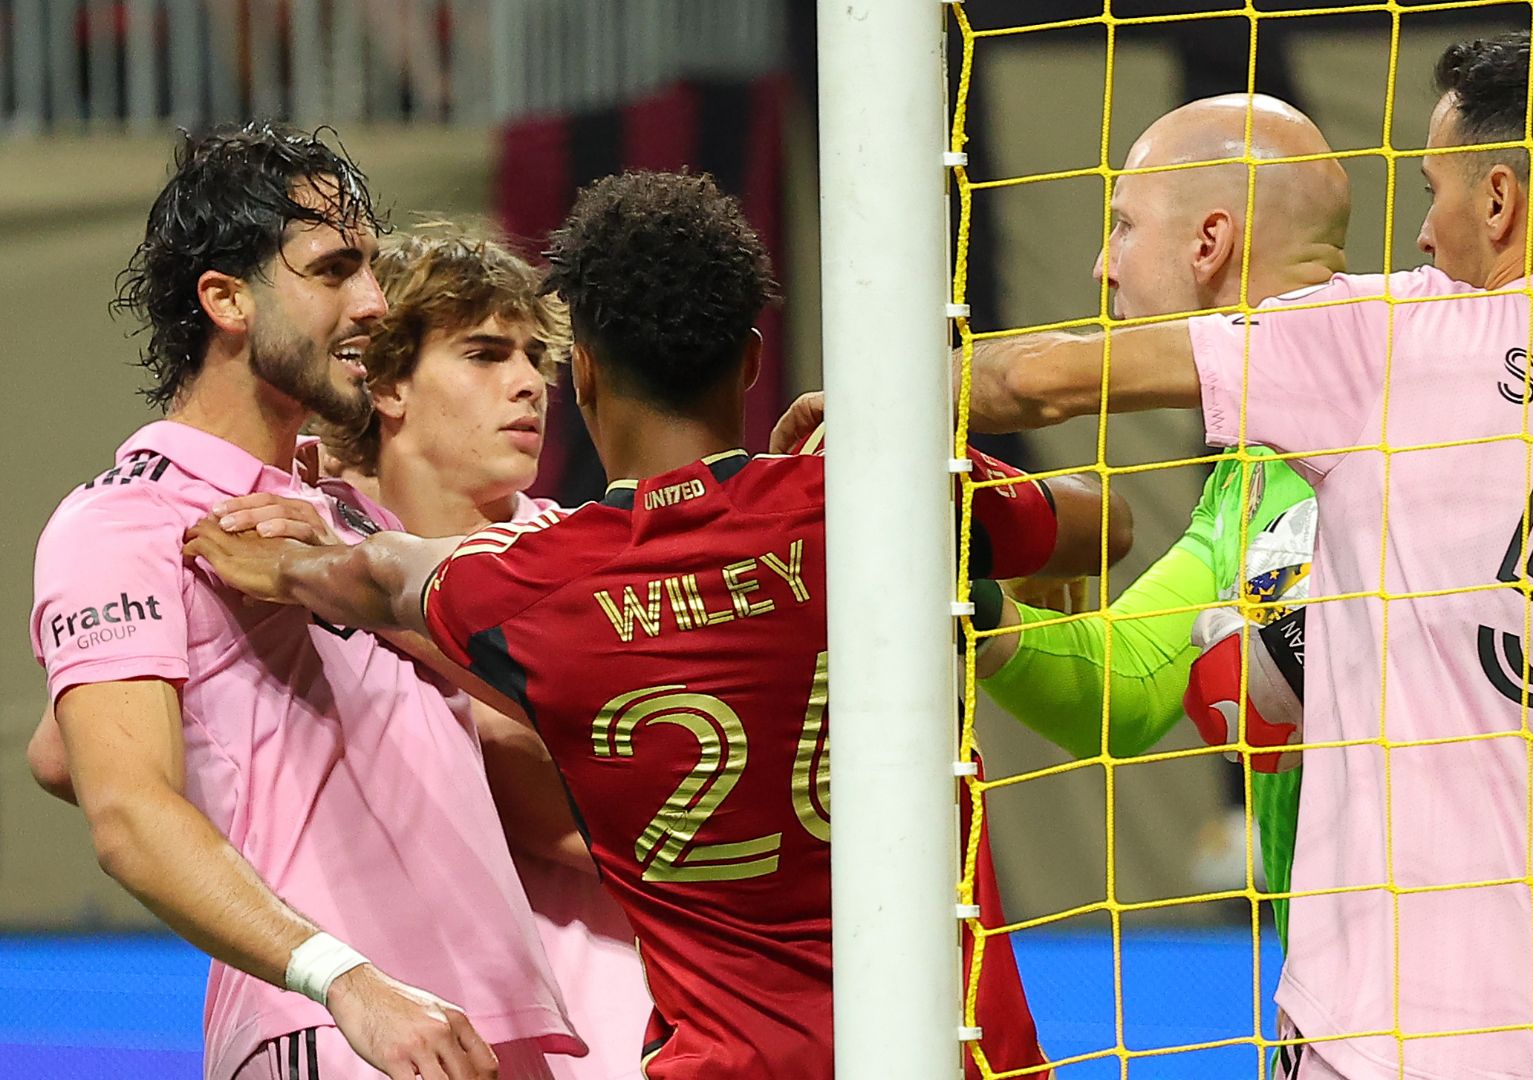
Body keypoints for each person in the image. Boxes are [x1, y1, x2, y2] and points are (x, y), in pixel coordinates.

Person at [863, 25, 1533, 1078]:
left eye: (1430, 195)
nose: (1418, 237)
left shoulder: (1393, 348)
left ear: (1497, 203)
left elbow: (1042, 387)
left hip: (1386, 1041)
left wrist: (871, 403)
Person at [182, 169, 1118, 1079]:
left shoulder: (536, 583)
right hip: (959, 1047)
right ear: (753, 359)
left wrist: (293, 560)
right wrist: (909, 426)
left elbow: (386, 583)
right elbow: (1101, 525)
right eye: (483, 355)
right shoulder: (871, 499)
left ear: (581, 369)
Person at [27, 123, 581, 1080]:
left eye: (370, 264)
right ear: (226, 299)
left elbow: (54, 754)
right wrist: (347, 980)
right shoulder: (123, 521)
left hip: (484, 1028)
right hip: (335, 1031)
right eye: (333, 270)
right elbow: (124, 811)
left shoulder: (340, 517)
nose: (372, 304)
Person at [944, 94, 1349, 955]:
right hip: (1343, 992)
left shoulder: (1403, 386)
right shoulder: (1258, 466)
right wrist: (965, 595)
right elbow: (1128, 687)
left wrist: (884, 400)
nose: (1101, 265)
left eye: (1122, 225)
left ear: (1210, 244)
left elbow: (1038, 381)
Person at [315, 230, 656, 1080]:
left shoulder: (598, 556)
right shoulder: (296, 541)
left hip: (617, 1024)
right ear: (386, 381)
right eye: (484, 353)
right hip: (377, 1031)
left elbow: (626, 813)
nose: (529, 384)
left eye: (535, 357)